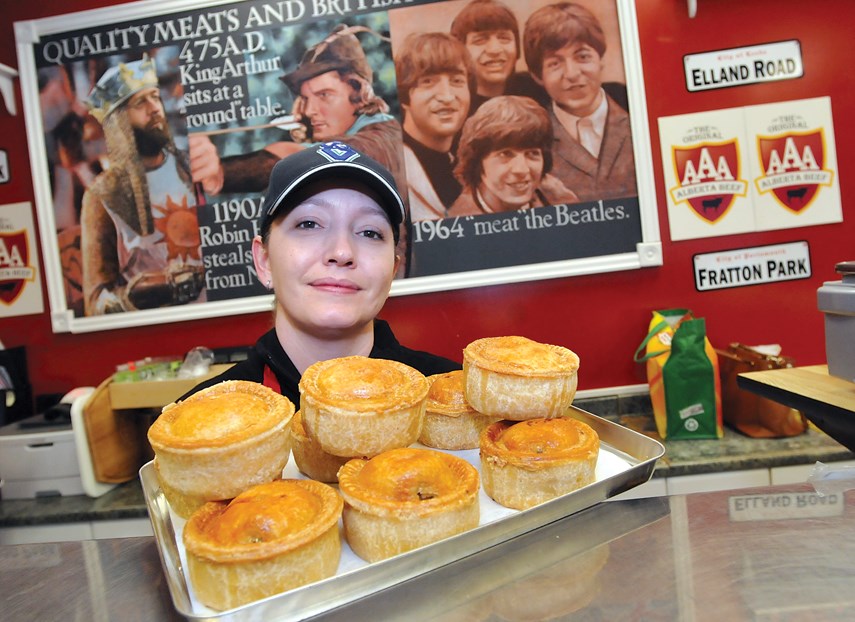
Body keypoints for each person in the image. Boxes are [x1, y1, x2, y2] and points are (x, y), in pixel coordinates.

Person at [185, 141, 459, 407]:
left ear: (393, 269)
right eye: (309, 224)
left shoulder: (454, 401)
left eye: (369, 232)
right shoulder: (197, 424)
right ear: (264, 260)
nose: (342, 252)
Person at [190, 25, 406, 205]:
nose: (310, 111)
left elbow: (301, 156)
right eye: (305, 98)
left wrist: (222, 173)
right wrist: (218, 174)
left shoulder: (385, 134)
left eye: (324, 95)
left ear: (358, 94)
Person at [81, 54, 204, 316]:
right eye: (141, 102)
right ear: (119, 122)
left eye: (155, 97)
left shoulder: (190, 167)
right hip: (158, 326)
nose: (155, 108)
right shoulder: (102, 195)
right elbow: (96, 302)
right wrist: (140, 294)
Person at [522, 2, 637, 202]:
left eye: (582, 56)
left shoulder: (639, 117)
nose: (572, 74)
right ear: (537, 75)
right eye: (554, 63)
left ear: (601, 60)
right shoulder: (532, 143)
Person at [448, 95, 578, 216]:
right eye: (505, 154)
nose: (521, 169)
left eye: (532, 153)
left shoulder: (562, 203)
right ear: (477, 162)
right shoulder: (456, 223)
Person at [394, 32, 474, 220]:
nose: (447, 96)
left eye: (457, 81)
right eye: (428, 82)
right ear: (405, 96)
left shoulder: (459, 163)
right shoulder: (394, 166)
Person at [449, 0, 546, 114]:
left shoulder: (537, 90)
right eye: (480, 40)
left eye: (504, 38)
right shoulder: (455, 104)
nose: (494, 50)